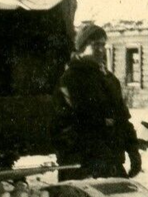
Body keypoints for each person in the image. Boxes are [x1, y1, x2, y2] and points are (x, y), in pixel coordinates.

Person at [52, 23, 141, 180]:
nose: (101, 49)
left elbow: (122, 119)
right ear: (82, 47)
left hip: (111, 163)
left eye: (103, 44)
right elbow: (66, 125)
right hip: (82, 166)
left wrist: (133, 150)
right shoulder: (70, 79)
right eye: (95, 45)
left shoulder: (110, 80)